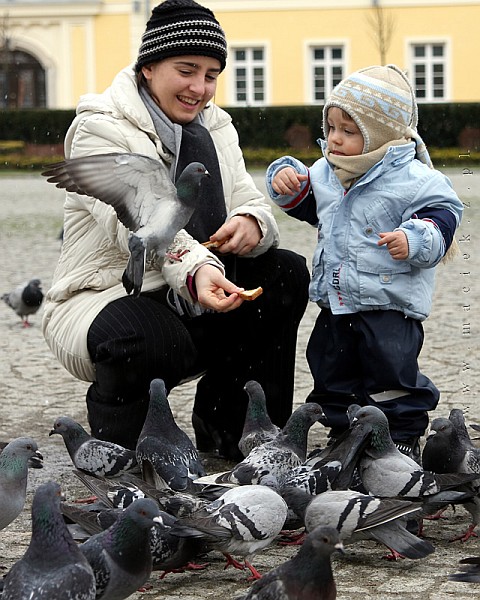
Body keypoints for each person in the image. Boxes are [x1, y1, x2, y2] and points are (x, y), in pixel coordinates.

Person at [42, 0, 310, 461]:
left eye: (210, 75)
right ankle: (119, 457)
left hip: (197, 292)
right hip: (111, 294)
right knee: (144, 337)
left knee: (283, 275)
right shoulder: (100, 129)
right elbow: (136, 228)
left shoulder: (216, 124)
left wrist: (251, 223)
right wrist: (198, 268)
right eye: (186, 70)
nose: (199, 88)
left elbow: (248, 196)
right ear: (148, 67)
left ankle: (239, 432)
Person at [265, 64, 463, 461]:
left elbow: (444, 215)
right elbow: (310, 206)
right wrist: (288, 185)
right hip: (336, 300)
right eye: (331, 126)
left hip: (389, 304)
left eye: (348, 131)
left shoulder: (414, 179)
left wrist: (415, 237)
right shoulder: (326, 172)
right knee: (330, 371)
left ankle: (402, 432)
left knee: (391, 374)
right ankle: (344, 430)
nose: (334, 139)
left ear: (380, 134)